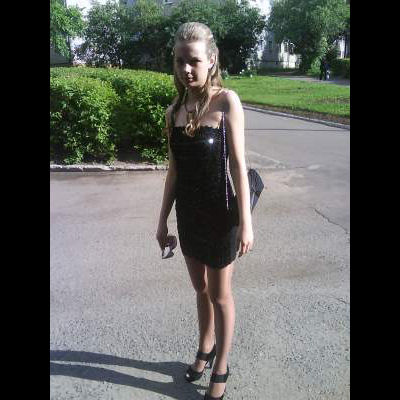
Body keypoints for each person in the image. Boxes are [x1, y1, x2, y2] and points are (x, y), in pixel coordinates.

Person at [156, 22, 254, 400]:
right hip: (189, 217)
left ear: (211, 60)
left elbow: (238, 166)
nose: (186, 69)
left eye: (194, 61)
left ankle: (221, 364)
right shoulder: (173, 112)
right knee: (199, 289)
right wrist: (162, 221)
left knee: (220, 294)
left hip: (221, 216)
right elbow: (174, 172)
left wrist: (246, 223)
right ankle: (205, 346)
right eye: (180, 61)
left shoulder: (226, 102)